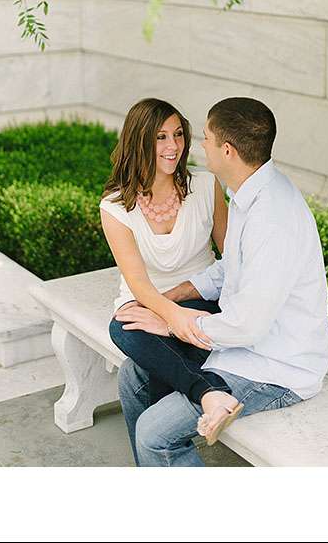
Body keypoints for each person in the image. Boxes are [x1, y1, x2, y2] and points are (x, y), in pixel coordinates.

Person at [112, 97, 328, 467]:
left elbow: (246, 325)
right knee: (133, 376)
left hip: (276, 368)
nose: (199, 147)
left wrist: (174, 323)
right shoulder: (251, 194)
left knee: (155, 434)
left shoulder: (272, 218)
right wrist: (177, 295)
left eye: (207, 139)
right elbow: (232, 266)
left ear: (227, 150)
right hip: (244, 346)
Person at [101, 98, 238, 454]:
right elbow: (140, 286)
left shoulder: (206, 186)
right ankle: (209, 392)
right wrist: (174, 318)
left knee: (135, 375)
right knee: (122, 327)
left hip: (202, 301)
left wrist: (195, 316)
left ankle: (199, 402)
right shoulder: (115, 207)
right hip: (148, 305)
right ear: (139, 140)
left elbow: (233, 260)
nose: (173, 146)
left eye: (178, 135)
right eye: (160, 137)